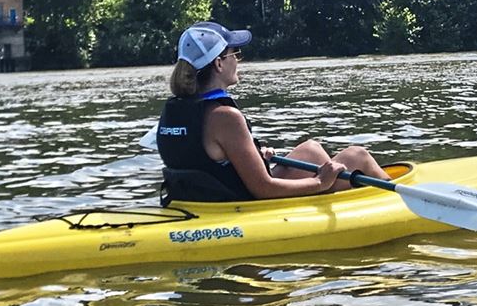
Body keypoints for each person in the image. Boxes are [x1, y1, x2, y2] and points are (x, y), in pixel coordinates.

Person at [157, 20, 389, 202]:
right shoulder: (225, 117)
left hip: (204, 200)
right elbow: (263, 189)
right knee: (357, 156)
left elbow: (204, 159)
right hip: (241, 207)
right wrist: (320, 182)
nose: (238, 60)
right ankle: (396, 206)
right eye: (234, 53)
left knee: (311, 150)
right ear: (219, 63)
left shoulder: (174, 109)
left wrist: (253, 156)